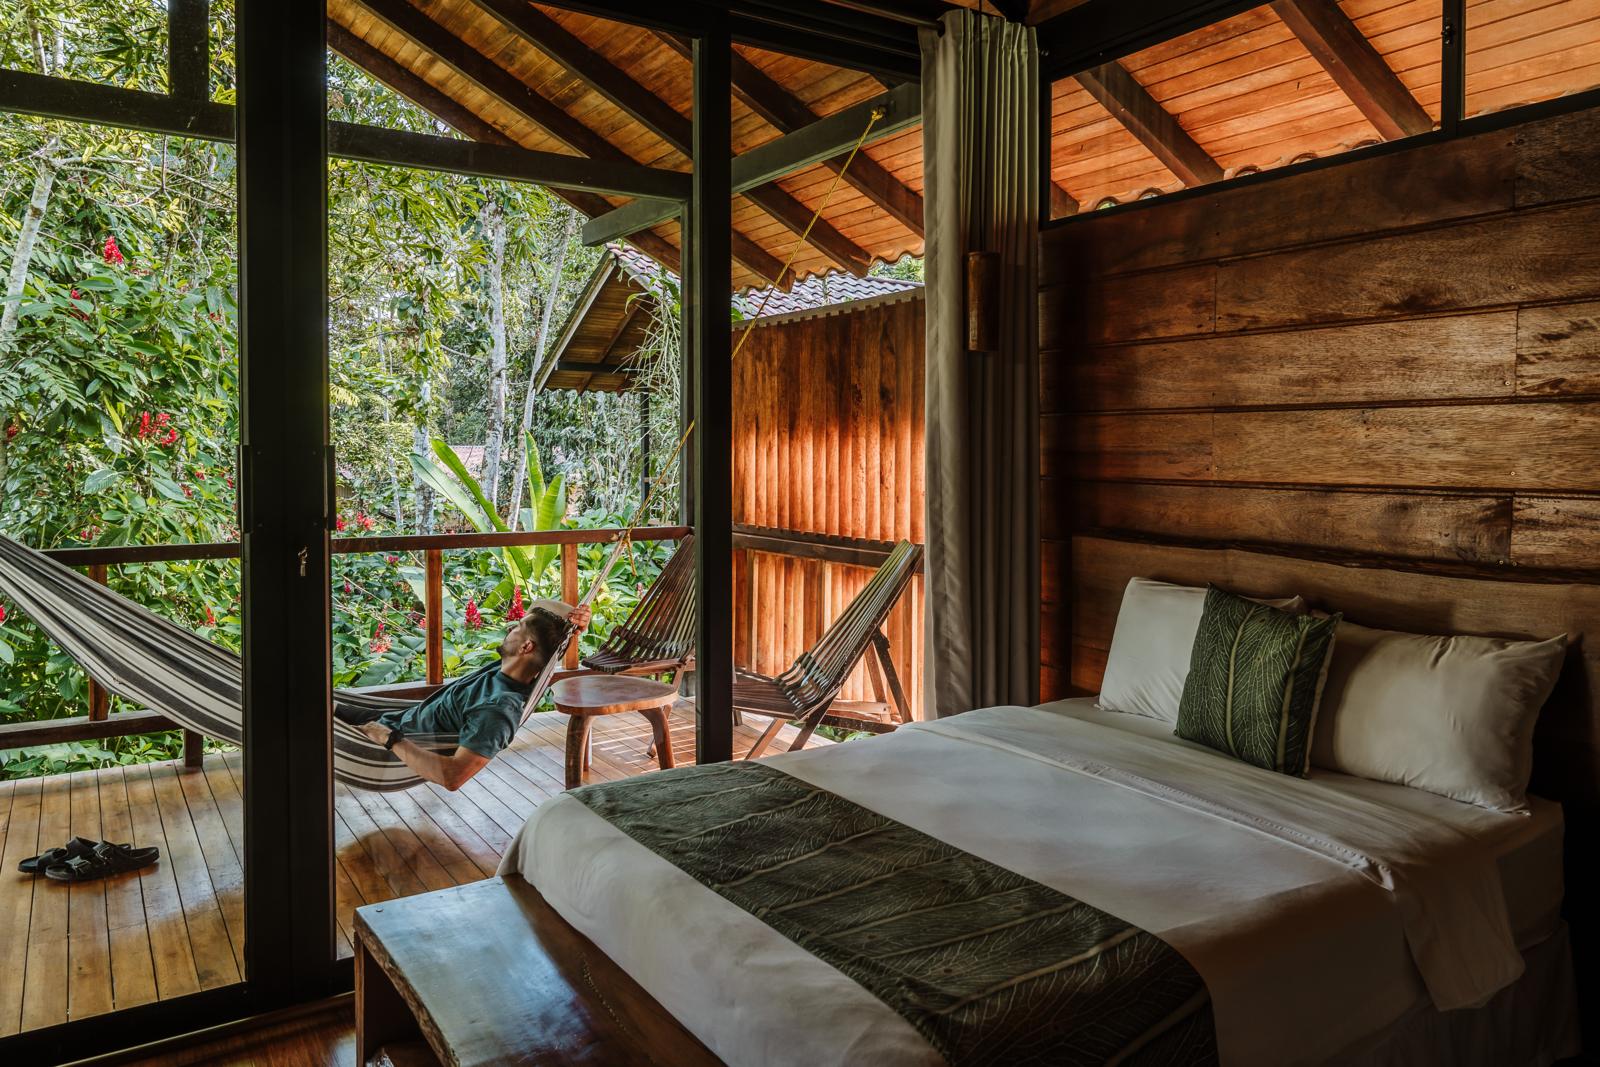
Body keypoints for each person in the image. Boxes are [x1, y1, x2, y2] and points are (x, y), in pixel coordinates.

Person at [335, 600, 591, 790]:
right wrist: (575, 623)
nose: (510, 627)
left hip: (381, 742)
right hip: (391, 718)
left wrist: (391, 739)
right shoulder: (508, 669)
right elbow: (544, 617)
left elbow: (454, 777)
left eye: (518, 627)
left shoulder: (498, 708)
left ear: (526, 646)